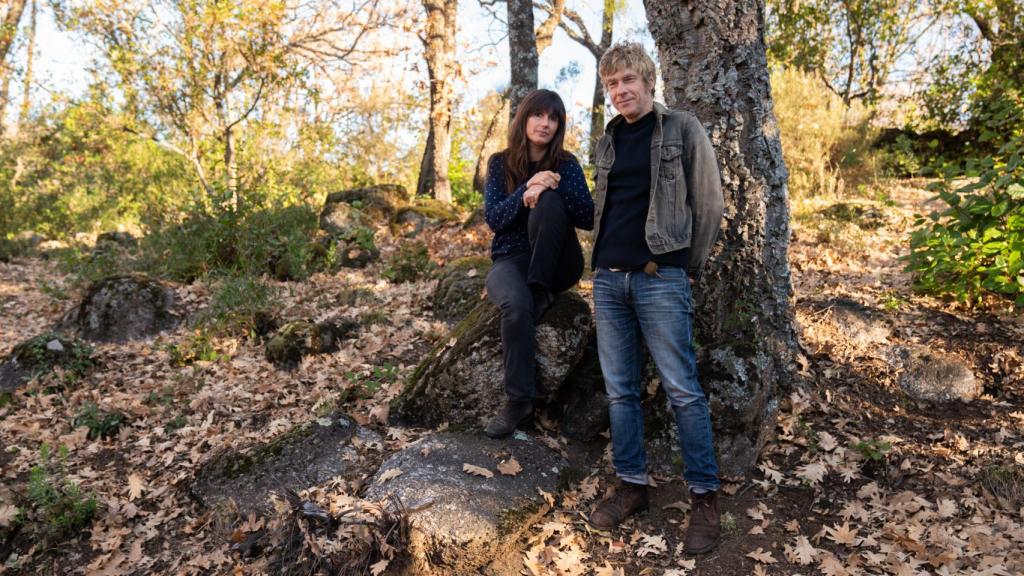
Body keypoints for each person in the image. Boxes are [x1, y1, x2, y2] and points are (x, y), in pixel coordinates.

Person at [586, 42, 725, 555]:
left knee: (682, 390)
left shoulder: (682, 129)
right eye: (612, 85)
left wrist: (685, 268)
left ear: (649, 81)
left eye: (628, 80)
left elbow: (708, 203)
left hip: (659, 277)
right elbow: (604, 209)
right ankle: (633, 485)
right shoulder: (608, 141)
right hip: (609, 280)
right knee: (620, 392)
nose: (621, 91)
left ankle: (705, 497)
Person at [482, 89, 595, 439]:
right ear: (524, 118)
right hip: (511, 259)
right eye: (538, 115)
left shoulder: (567, 163)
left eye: (553, 118)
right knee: (515, 306)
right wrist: (527, 186)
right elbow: (495, 219)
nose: (545, 123)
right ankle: (520, 403)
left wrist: (551, 184)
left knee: (547, 203)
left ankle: (541, 288)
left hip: (559, 261)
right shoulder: (500, 164)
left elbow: (588, 216)